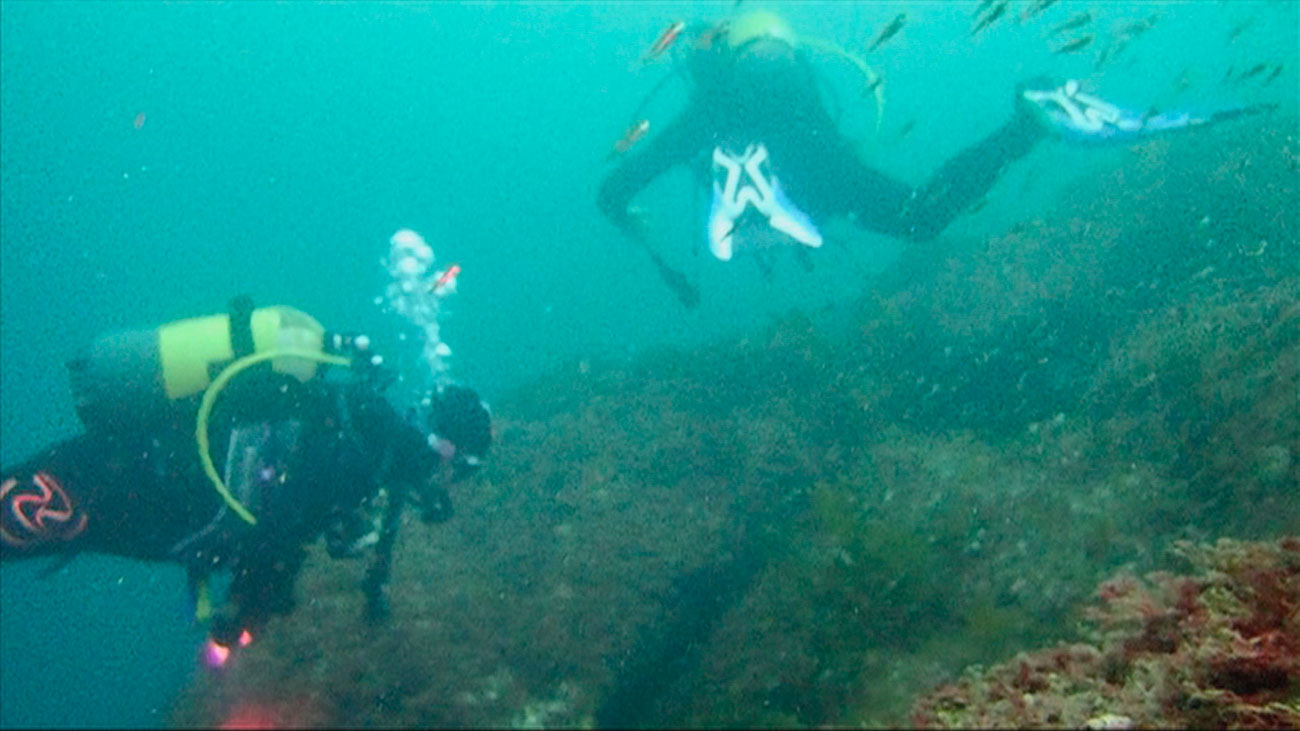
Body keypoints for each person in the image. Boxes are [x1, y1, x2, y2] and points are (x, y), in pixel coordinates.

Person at [598, 10, 1276, 307]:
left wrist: (633, 223)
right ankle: (1031, 119)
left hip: (812, 183)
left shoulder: (702, 115)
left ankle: (1028, 122)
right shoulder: (785, 81)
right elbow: (825, 131)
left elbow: (615, 186)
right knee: (921, 215)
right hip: (829, 172)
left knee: (917, 221)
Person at [0, 296, 491, 664]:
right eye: (462, 468)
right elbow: (277, 529)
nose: (451, 484)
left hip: (149, 470)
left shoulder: (362, 425)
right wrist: (247, 613)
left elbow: (283, 511)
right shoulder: (362, 455)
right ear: (447, 449)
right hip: (151, 489)